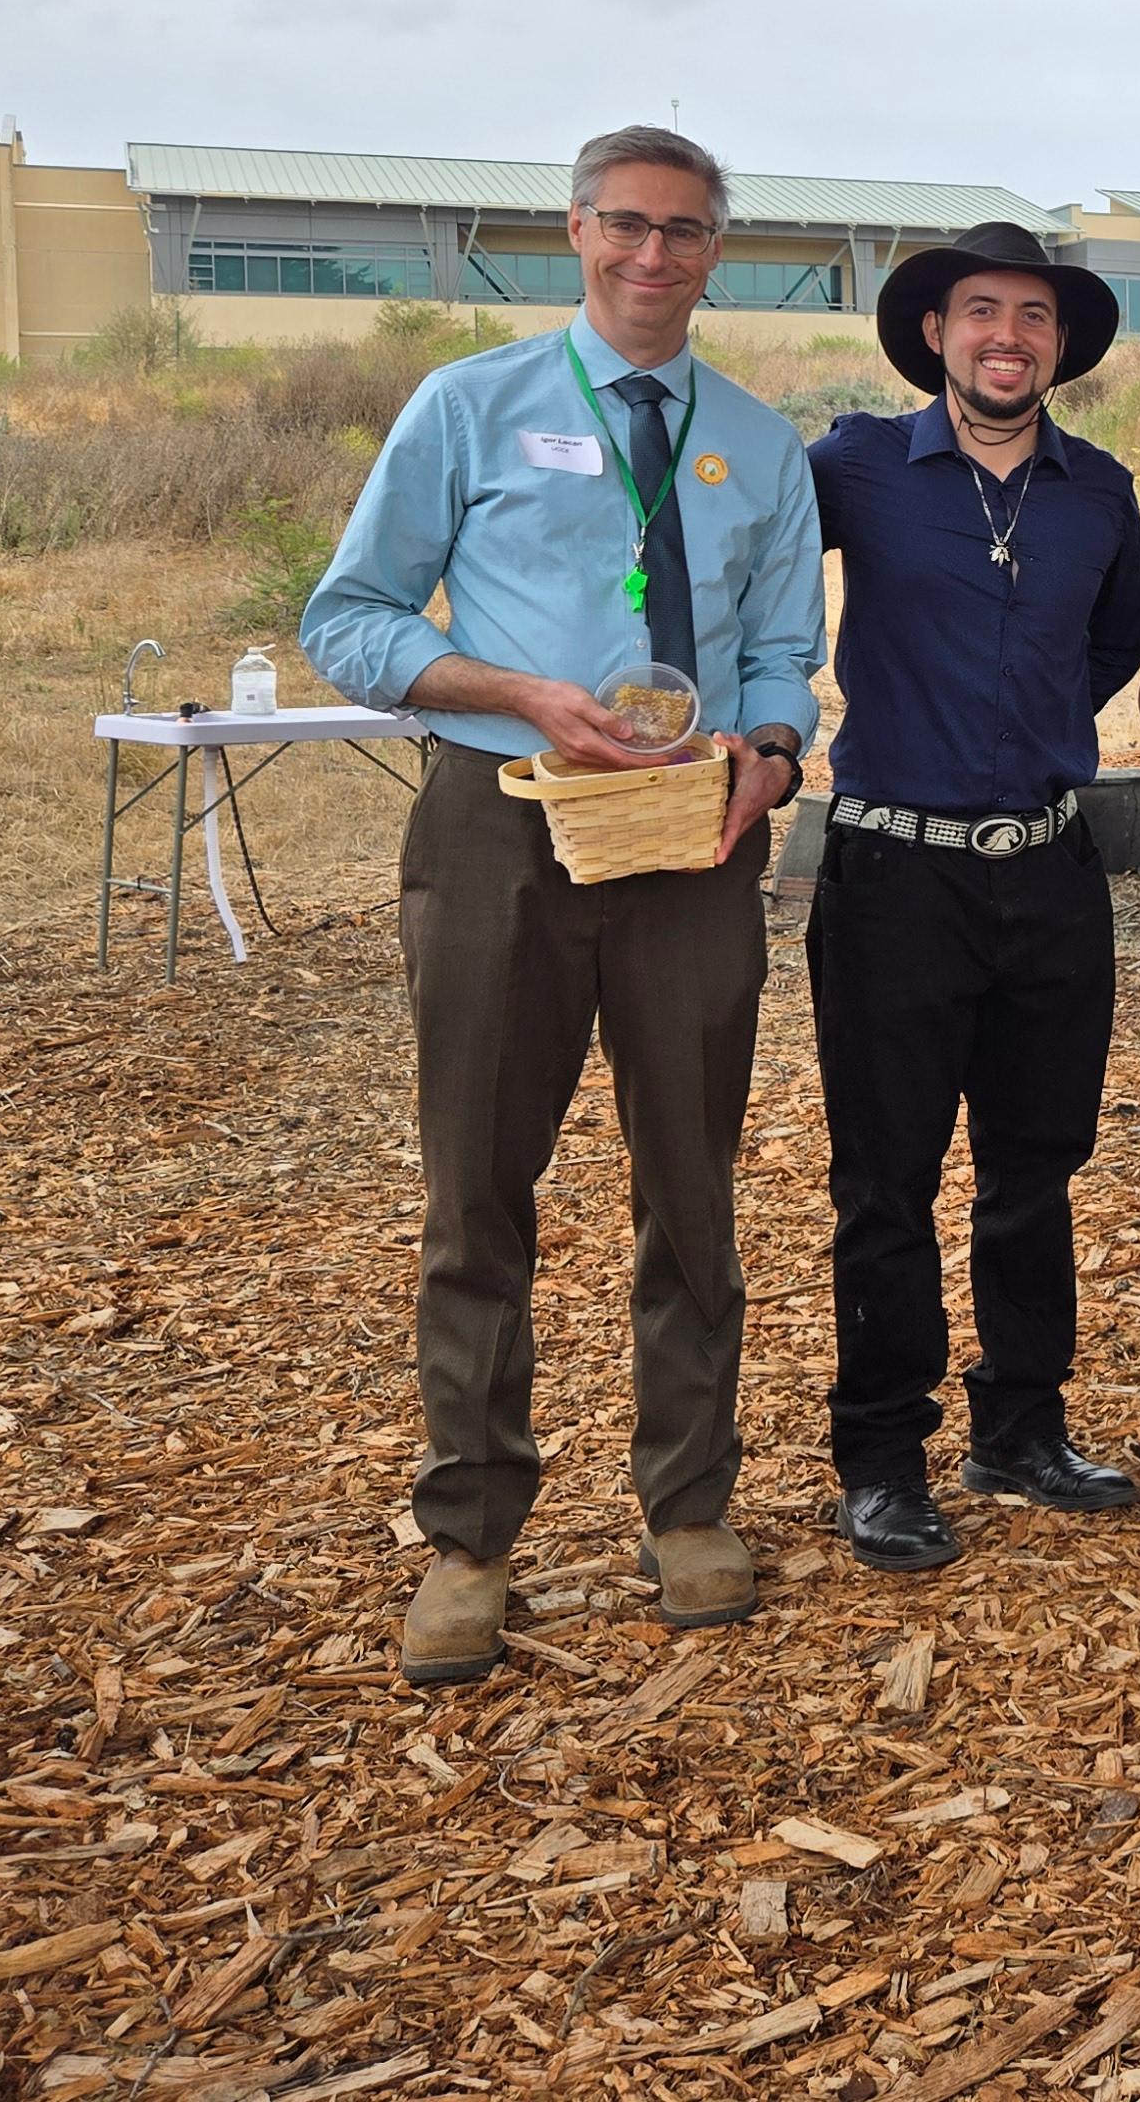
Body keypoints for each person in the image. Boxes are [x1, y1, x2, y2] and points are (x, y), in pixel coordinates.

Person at [302, 126, 824, 1685]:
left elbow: (787, 652)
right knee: (478, 1187)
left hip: (687, 839)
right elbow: (350, 617)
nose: (653, 257)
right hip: (502, 832)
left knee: (694, 1182)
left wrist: (777, 759)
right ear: (575, 235)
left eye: (684, 232)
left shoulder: (758, 443)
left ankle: (689, 1507)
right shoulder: (470, 407)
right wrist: (516, 689)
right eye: (625, 228)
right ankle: (469, 1535)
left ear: (717, 248)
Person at [800, 219, 1140, 1568]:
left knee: (1035, 1168)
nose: (1009, 335)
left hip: (1052, 871)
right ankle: (882, 1455)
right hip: (894, 874)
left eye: (1035, 317)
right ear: (936, 333)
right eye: (982, 312)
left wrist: (1027, 726)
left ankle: (1021, 1425)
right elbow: (746, 582)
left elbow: (1114, 637)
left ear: (1061, 345)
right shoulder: (855, 468)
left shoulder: (1099, 489)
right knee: (885, 1182)